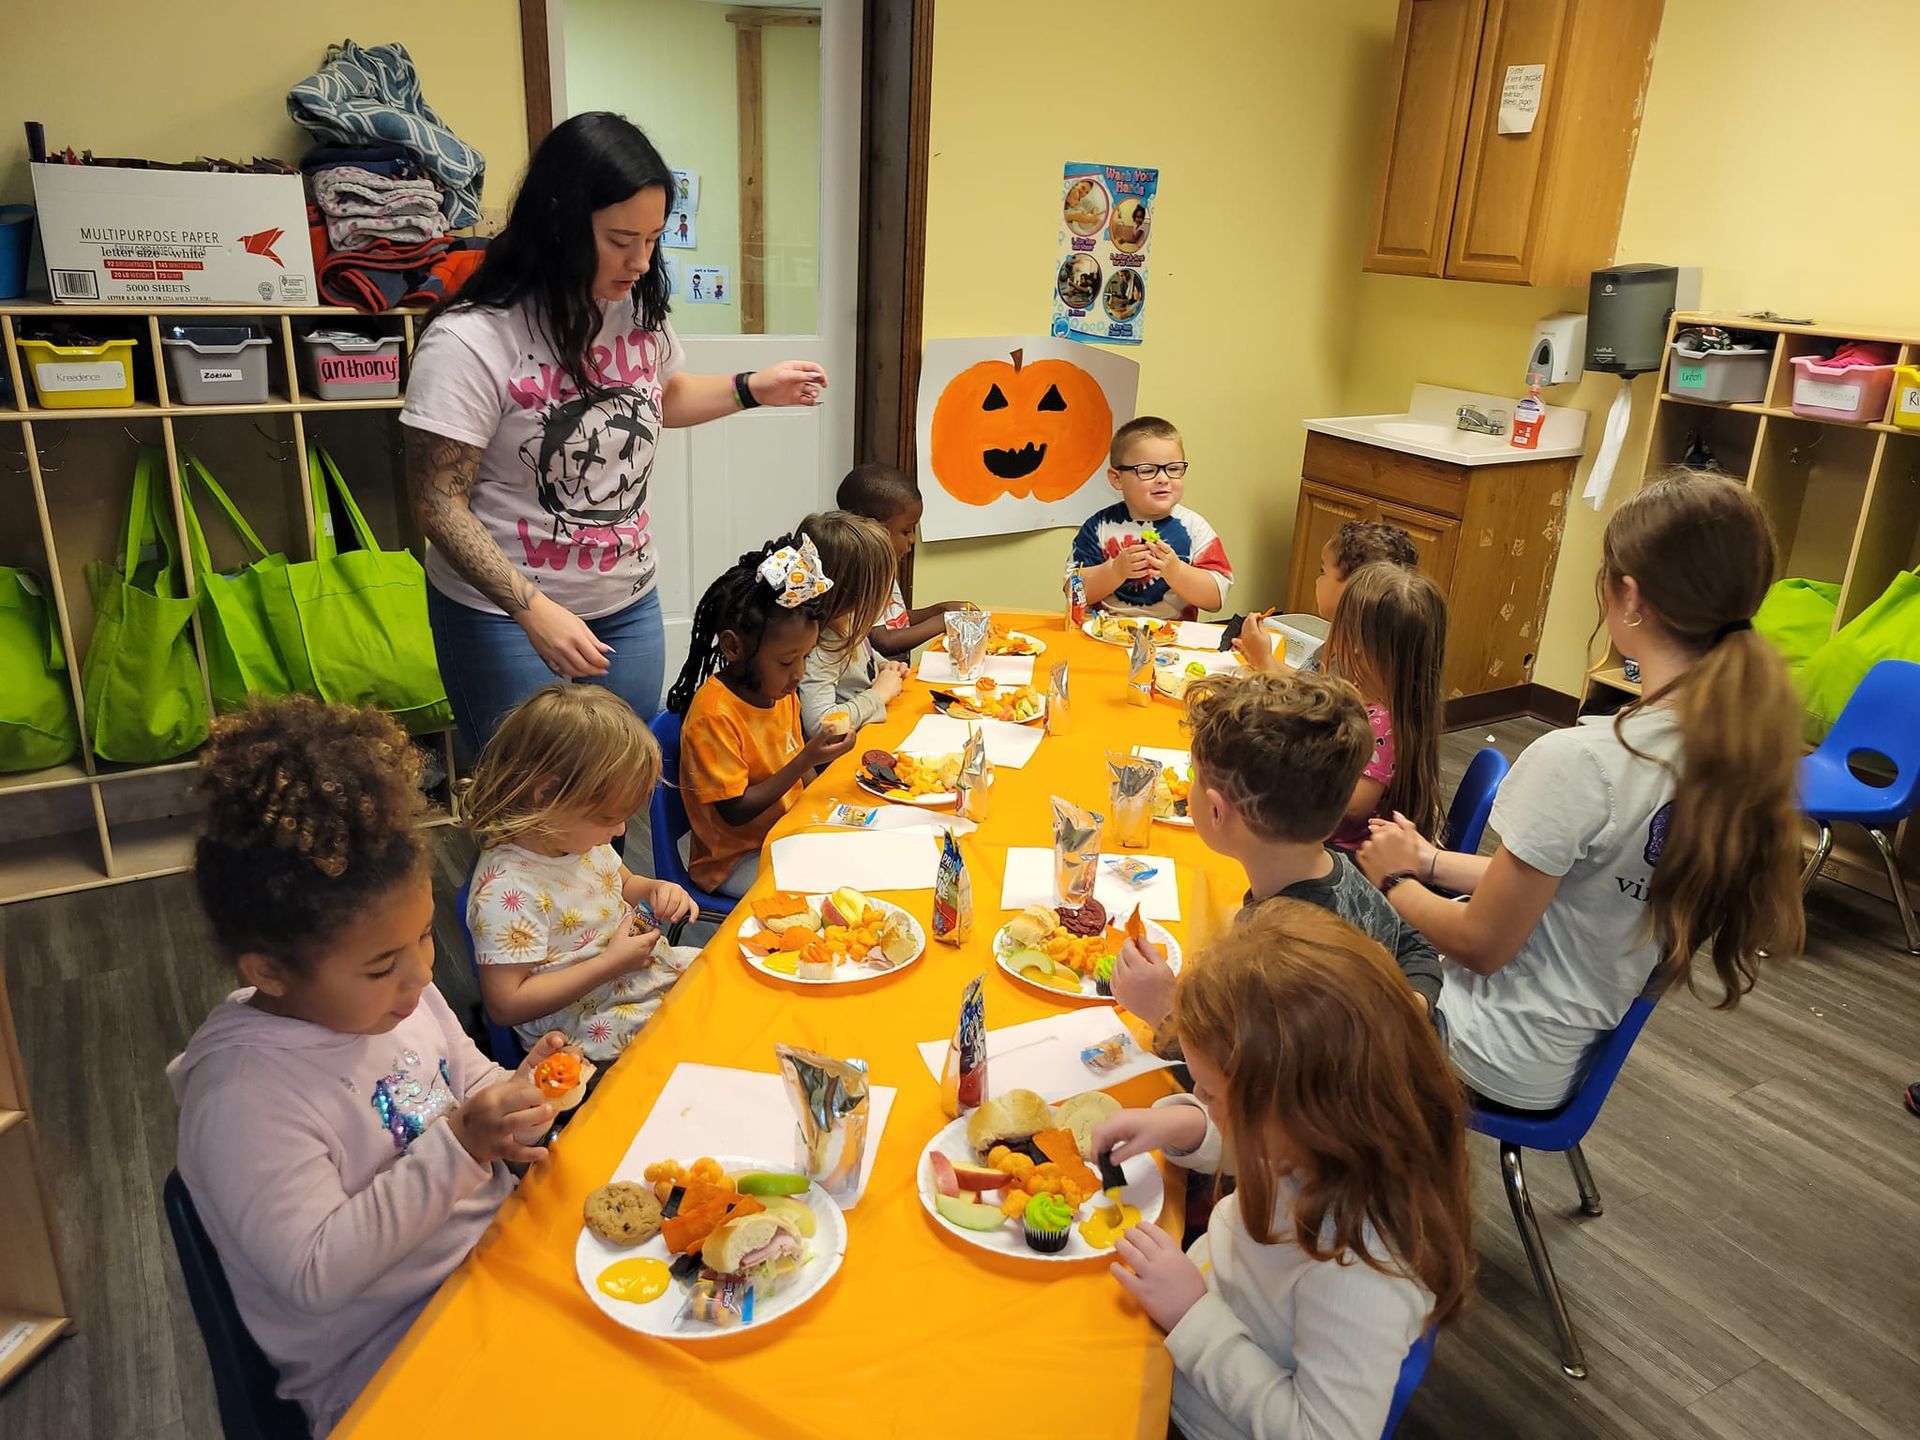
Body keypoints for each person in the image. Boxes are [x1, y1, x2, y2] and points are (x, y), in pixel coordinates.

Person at [169, 698, 566, 1436]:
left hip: (499, 1270)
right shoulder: (243, 1100)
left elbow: (466, 1077)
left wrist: (513, 1098)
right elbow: (316, 1274)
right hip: (391, 1362)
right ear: (272, 971)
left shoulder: (397, 1002)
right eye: (384, 965)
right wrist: (462, 1146)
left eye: (422, 938)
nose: (421, 977)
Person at [1357, 471, 1805, 1110]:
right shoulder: (1730, 746)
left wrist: (1394, 882)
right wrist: (1428, 861)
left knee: (1280, 974)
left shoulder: (1583, 760)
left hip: (1480, 1043)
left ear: (1629, 596)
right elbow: (1568, 884)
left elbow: (1482, 945)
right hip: (1554, 1051)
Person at [400, 111, 829, 755]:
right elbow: (438, 501)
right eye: (620, 238)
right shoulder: (470, 340)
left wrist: (751, 388)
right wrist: (531, 609)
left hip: (626, 603)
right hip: (505, 617)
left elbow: (663, 394)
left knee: (614, 796)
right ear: (559, 226)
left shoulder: (634, 311)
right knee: (533, 816)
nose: (640, 260)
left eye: (654, 238)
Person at [1093, 902, 1474, 1440]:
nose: (1199, 1096)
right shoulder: (1325, 1143)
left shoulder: (1361, 1269)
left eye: (1211, 1092)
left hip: (1197, 1413)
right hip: (1186, 1316)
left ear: (1296, 1113)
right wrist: (1186, 1125)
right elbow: (1264, 1149)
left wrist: (1192, 1316)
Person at [1111, 670, 1442, 1042]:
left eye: (1195, 778)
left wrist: (1165, 1012)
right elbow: (1417, 947)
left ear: (1217, 812)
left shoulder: (1270, 960)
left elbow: (1242, 1084)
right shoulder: (1349, 868)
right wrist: (1406, 1010)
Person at [463, 684, 698, 1062]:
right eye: (609, 817)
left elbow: (625, 884)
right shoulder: (506, 890)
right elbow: (506, 1005)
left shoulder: (576, 838)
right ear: (547, 797)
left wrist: (655, 890)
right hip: (586, 1021)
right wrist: (608, 965)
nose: (621, 831)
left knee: (723, 982)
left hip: (635, 979)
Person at [665, 535, 857, 897]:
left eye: (805, 656)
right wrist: (807, 760)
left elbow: (802, 770)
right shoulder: (714, 716)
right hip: (735, 860)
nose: (799, 673)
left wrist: (829, 797)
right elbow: (736, 811)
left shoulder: (779, 690)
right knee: (833, 889)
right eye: (787, 661)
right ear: (734, 647)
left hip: (786, 832)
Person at [1313, 562, 1447, 851]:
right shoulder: (1377, 698)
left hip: (1351, 860)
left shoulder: (1384, 722)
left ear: (1359, 647)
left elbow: (1353, 806)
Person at [1071, 416, 1233, 621]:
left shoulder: (1195, 528)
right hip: (1103, 634)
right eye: (1147, 470)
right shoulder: (1098, 527)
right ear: (1117, 478)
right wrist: (1115, 570)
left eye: (1173, 469)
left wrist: (1176, 572)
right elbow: (1073, 594)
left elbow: (1216, 599)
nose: (1163, 479)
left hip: (1173, 641)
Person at [1236, 519, 1419, 673]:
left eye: (1323, 571)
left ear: (1354, 587)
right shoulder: (1347, 635)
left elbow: (1313, 704)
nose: (1317, 581)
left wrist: (1265, 663)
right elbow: (1309, 684)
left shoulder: (1357, 659)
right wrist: (1263, 658)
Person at [795, 511, 910, 739]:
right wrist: (878, 694)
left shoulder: (845, 620)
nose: (888, 597)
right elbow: (822, 726)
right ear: (851, 593)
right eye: (881, 588)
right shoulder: (823, 645)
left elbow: (861, 654)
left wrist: (884, 666)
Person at [835, 462, 967, 657]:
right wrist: (944, 621)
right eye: (906, 531)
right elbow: (883, 640)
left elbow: (896, 621)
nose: (912, 539)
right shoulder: (862, 574)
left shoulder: (883, 566)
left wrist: (940, 609)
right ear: (875, 529)